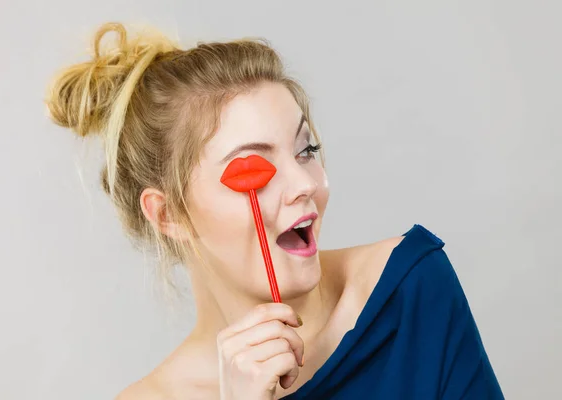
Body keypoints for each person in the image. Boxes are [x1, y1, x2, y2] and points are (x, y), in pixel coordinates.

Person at [45, 22, 504, 400]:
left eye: (307, 151)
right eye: (255, 170)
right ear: (169, 215)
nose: (306, 185)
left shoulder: (410, 288)